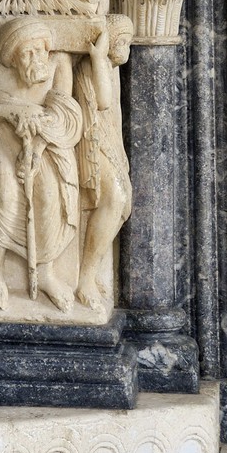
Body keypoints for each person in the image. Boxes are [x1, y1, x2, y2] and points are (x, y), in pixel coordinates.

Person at [0, 18, 82, 312]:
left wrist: (36, 149)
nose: (37, 58)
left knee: (48, 198)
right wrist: (16, 111)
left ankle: (45, 273)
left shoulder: (59, 63)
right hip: (2, 136)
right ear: (12, 57)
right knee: (6, 197)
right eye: (27, 53)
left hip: (44, 141)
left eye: (40, 51)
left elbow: (61, 113)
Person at [75, 16, 133, 311]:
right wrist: (97, 58)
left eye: (128, 41)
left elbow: (117, 118)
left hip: (108, 144)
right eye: (119, 40)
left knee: (121, 204)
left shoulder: (112, 69)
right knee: (114, 199)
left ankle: (90, 272)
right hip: (89, 143)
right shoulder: (93, 65)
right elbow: (104, 101)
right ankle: (84, 278)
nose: (125, 47)